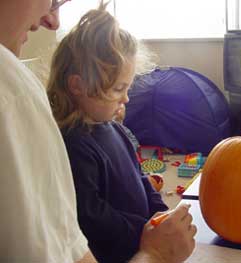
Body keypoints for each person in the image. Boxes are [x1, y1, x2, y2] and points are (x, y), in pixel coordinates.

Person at [0, 0, 196, 262]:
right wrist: (144, 234)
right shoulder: (73, 142)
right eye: (117, 90)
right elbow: (92, 215)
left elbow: (141, 179)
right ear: (78, 86)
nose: (125, 99)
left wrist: (160, 216)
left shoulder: (117, 131)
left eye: (127, 88)